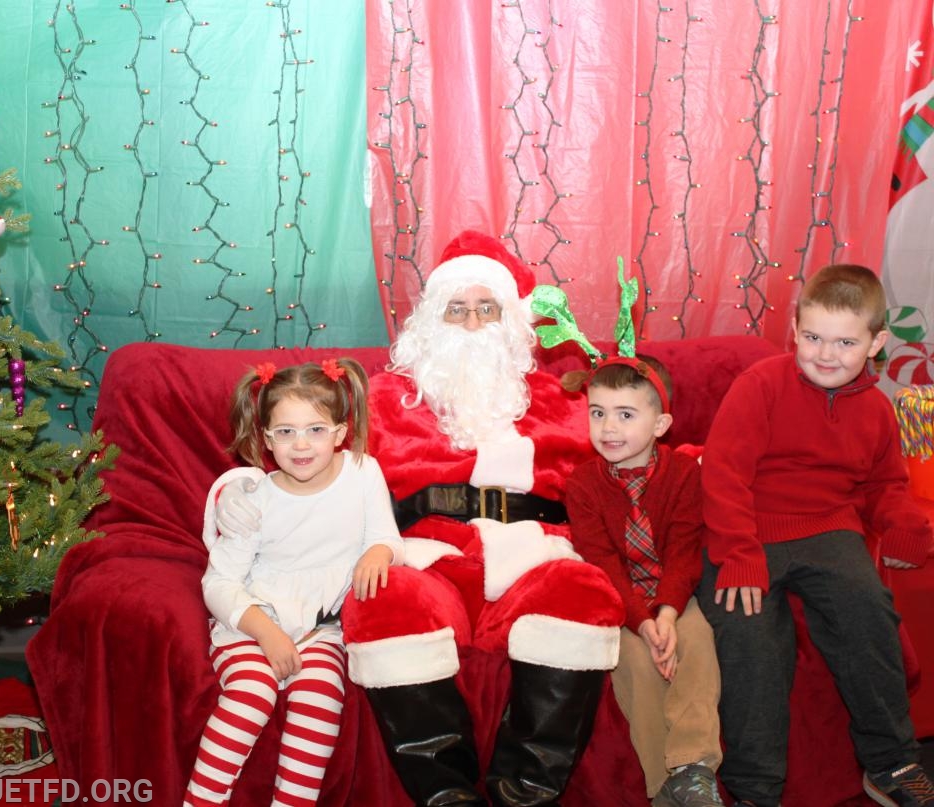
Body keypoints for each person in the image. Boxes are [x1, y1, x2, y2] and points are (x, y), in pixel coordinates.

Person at [216, 230, 625, 807]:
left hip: (539, 555)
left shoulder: (563, 398)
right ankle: (448, 799)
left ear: (511, 319)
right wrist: (239, 484)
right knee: (385, 598)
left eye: (488, 308)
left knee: (583, 593)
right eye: (457, 310)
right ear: (431, 321)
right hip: (427, 555)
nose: (474, 323)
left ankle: (525, 796)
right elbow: (302, 448)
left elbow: (627, 460)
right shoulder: (383, 398)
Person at [696, 264, 934, 807]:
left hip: (829, 529)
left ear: (876, 343)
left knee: (868, 611)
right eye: (813, 338)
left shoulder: (877, 409)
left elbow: (885, 483)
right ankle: (756, 789)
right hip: (748, 530)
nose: (826, 354)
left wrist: (903, 524)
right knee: (749, 635)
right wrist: (738, 553)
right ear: (796, 330)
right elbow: (723, 476)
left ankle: (891, 764)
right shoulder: (759, 386)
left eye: (846, 342)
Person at [184, 358, 405, 807]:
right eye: (285, 432)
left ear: (340, 433)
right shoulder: (252, 500)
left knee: (323, 696)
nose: (300, 444)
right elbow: (219, 583)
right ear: (266, 438)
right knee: (252, 692)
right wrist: (266, 634)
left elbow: (388, 539)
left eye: (316, 430)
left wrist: (378, 552)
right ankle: (201, 800)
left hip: (321, 630)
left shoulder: (364, 472)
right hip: (252, 622)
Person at [564, 356, 723, 807]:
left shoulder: (683, 474)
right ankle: (664, 786)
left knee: (698, 638)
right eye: (598, 413)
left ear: (661, 423)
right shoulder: (582, 484)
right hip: (620, 599)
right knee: (634, 660)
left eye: (625, 415)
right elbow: (602, 563)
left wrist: (669, 614)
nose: (608, 428)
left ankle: (694, 767)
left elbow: (685, 551)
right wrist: (643, 622)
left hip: (673, 592)